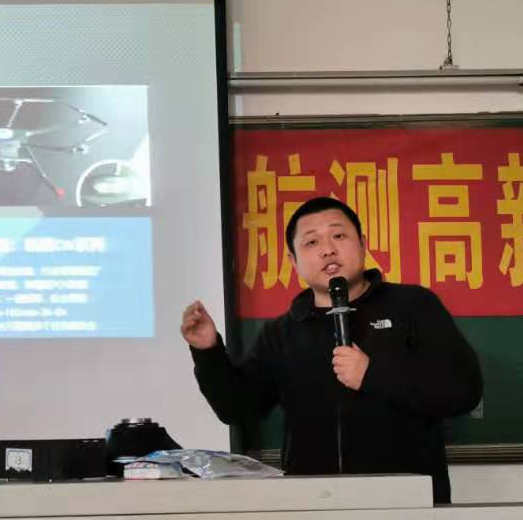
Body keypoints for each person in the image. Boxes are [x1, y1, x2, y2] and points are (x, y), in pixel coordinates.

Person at [182, 195, 483, 504]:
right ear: (293, 260)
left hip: (408, 502)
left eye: (339, 235)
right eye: (311, 242)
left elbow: (463, 391)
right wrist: (208, 352)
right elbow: (238, 409)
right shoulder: (282, 332)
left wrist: (373, 375)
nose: (327, 249)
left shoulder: (413, 306)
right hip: (315, 505)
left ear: (362, 244)